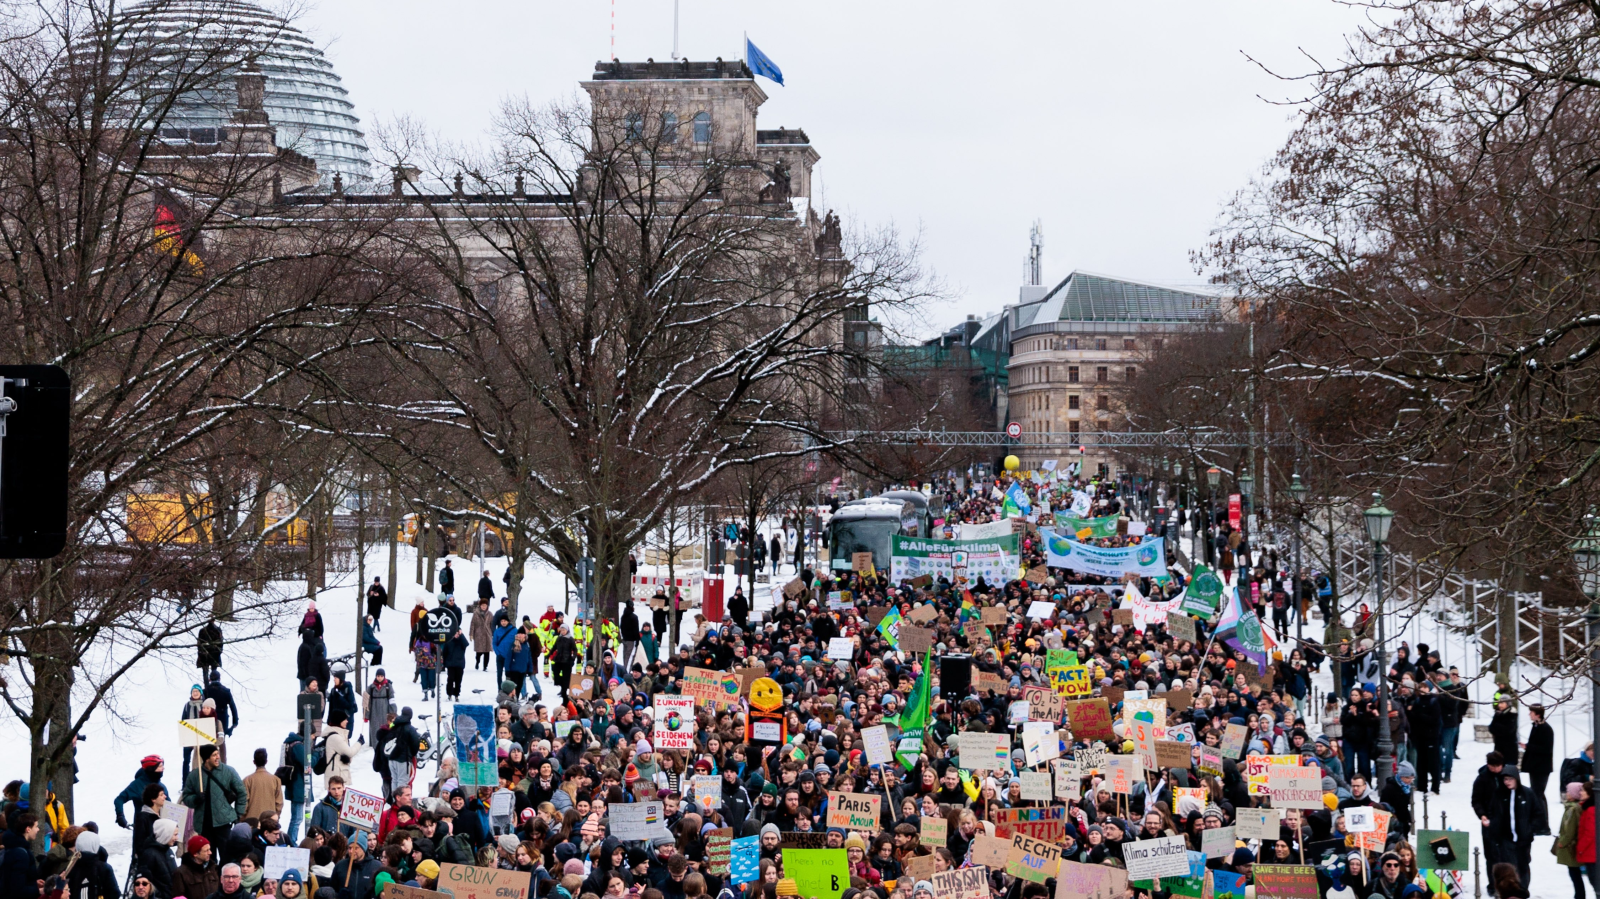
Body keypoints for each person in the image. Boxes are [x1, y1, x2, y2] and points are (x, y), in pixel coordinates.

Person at [182, 743, 248, 853]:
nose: (218, 757)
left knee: (227, 855)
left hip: (223, 823)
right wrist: (196, 799)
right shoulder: (195, 775)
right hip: (203, 825)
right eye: (214, 755)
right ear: (206, 758)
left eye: (218, 754)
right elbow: (186, 796)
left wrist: (238, 813)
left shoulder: (228, 771)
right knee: (207, 856)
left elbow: (241, 792)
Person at [1488, 764, 1534, 895]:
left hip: (1523, 839)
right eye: (1505, 779)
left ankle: (1523, 891)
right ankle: (1511, 892)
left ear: (1516, 778)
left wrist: (1529, 830)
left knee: (1523, 866)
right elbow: (1493, 812)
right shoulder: (1499, 794)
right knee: (1510, 867)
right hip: (1506, 839)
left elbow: (1537, 812)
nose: (1507, 782)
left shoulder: (1527, 793)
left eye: (1510, 779)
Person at [1554, 781, 1595, 899]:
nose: (1566, 793)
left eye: (1583, 790)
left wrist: (1563, 843)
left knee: (1578, 875)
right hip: (1580, 847)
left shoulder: (1577, 809)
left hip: (1576, 847)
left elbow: (1573, 830)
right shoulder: (1580, 807)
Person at [114, 755, 168, 832]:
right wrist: (120, 816)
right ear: (152, 769)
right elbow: (119, 799)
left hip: (160, 830)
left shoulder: (162, 786)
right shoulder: (137, 785)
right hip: (142, 830)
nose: (163, 768)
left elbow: (169, 806)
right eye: (160, 766)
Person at [1527, 703, 1556, 834]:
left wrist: (1529, 747)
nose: (1529, 714)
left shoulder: (1545, 729)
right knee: (1537, 795)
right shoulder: (1536, 726)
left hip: (1541, 768)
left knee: (1538, 795)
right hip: (1535, 767)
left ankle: (1542, 826)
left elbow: (1546, 749)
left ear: (1537, 714)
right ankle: (1540, 824)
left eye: (1531, 712)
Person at [243, 747, 283, 822]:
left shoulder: (247, 780)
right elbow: (279, 803)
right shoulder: (276, 780)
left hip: (252, 821)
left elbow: (244, 803)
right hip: (270, 821)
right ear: (266, 761)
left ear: (254, 762)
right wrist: (276, 816)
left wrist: (243, 818)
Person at [363, 669, 394, 747]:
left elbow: (392, 701)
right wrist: (366, 715)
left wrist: (392, 715)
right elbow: (366, 703)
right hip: (374, 713)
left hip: (385, 712)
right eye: (378, 676)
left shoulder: (388, 687)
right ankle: (376, 748)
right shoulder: (371, 687)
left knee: (385, 731)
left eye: (381, 676)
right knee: (375, 732)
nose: (379, 678)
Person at [443, 626, 468, 701]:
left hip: (459, 664)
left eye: (458, 633)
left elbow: (466, 644)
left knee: (458, 681)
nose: (456, 635)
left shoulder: (461, 641)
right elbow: (444, 653)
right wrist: (444, 663)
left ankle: (456, 694)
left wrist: (462, 635)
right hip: (451, 664)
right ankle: (449, 694)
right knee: (450, 680)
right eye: (455, 633)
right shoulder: (449, 641)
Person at [471, 598, 493, 671]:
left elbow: (492, 624)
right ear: (480, 606)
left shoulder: (490, 614)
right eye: (482, 605)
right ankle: (477, 661)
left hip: (487, 634)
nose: (484, 607)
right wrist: (471, 634)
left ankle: (485, 666)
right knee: (479, 651)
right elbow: (472, 624)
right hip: (478, 634)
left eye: (485, 605)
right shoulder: (476, 613)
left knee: (487, 651)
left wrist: (493, 633)